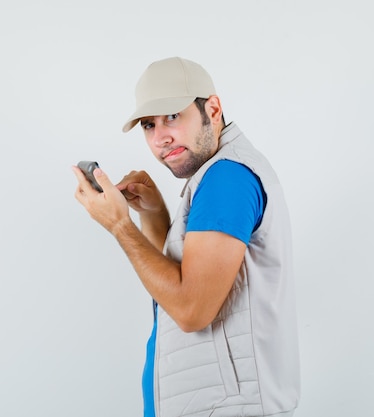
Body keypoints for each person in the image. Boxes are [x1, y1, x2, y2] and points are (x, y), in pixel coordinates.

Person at [72, 56, 300, 417]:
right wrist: (154, 213)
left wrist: (120, 226)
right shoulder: (216, 174)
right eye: (149, 124)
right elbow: (181, 281)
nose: (161, 136)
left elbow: (192, 310)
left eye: (173, 116)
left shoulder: (226, 179)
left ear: (212, 109)